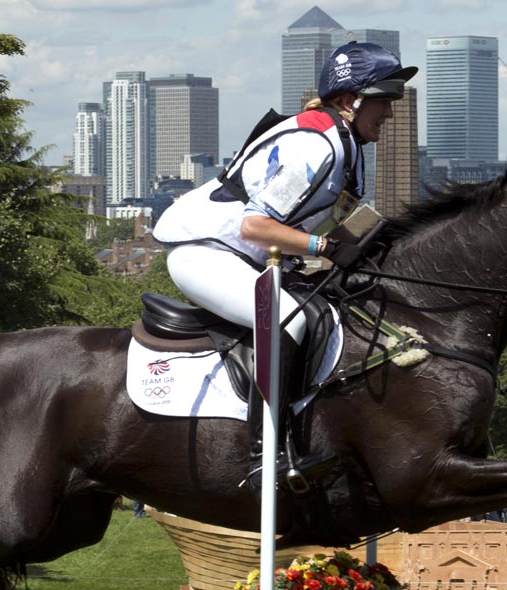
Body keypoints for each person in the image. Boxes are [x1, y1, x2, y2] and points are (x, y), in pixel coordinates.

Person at [153, 42, 417, 491]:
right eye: (383, 102)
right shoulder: (313, 146)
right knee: (288, 322)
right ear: (349, 101)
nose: (389, 113)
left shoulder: (343, 142)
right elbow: (255, 225)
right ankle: (264, 455)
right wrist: (325, 247)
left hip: (242, 255)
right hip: (204, 251)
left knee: (327, 312)